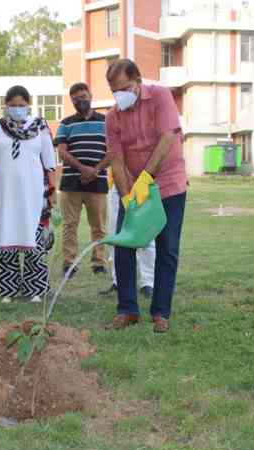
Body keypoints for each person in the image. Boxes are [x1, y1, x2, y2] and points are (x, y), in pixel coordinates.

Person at [105, 59, 187, 334]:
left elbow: (167, 138)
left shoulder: (161, 96)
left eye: (124, 88)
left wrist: (146, 177)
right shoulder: (112, 116)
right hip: (134, 186)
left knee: (168, 247)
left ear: (138, 81)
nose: (120, 95)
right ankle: (127, 309)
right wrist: (126, 195)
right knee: (124, 244)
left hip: (168, 183)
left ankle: (160, 312)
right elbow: (116, 158)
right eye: (114, 91)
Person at [0, 85, 57, 304]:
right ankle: (9, 289)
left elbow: (49, 162)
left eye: (21, 105)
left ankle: (35, 288)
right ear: (6, 106)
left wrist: (52, 192)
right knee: (7, 237)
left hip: (33, 194)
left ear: (28, 105)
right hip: (5, 194)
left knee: (33, 240)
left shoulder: (40, 126)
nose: (17, 109)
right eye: (13, 105)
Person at [54, 82, 110, 279]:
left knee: (99, 226)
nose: (80, 101)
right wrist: (83, 169)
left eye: (83, 96)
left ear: (91, 96)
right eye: (76, 98)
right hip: (71, 183)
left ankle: (98, 263)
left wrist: (95, 170)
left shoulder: (106, 122)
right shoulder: (66, 123)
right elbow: (61, 151)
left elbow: (113, 151)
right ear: (72, 101)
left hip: (98, 182)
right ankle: (69, 263)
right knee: (70, 225)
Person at [102, 167, 156, 298]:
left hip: (143, 184)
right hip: (118, 185)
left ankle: (148, 282)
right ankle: (118, 281)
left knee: (147, 235)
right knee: (115, 235)